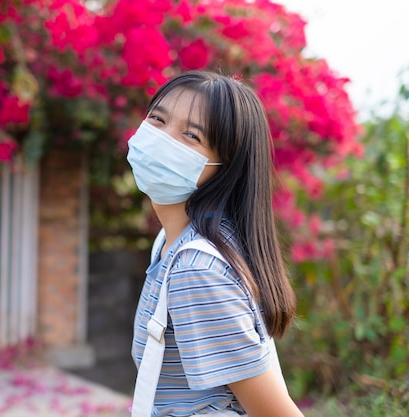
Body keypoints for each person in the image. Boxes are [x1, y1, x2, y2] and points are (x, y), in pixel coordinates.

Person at [126, 70, 305, 417]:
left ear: (227, 168)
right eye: (157, 119)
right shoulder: (173, 243)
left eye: (190, 135)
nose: (162, 138)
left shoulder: (197, 268)